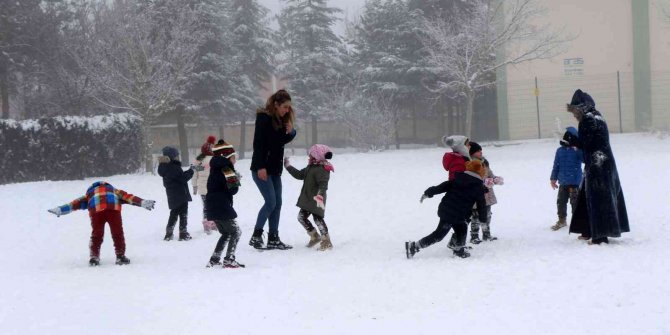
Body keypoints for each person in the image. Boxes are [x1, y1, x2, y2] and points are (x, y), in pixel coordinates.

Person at [566, 89, 629, 244]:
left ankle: (599, 236)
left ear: (581, 107)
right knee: (588, 196)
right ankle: (587, 229)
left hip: (597, 165)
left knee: (598, 198)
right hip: (604, 163)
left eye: (574, 110)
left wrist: (572, 140)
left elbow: (585, 143)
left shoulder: (587, 119)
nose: (574, 114)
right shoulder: (598, 116)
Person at [47, 181, 155, 266]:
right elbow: (128, 198)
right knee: (117, 233)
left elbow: (74, 204)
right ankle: (120, 256)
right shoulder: (113, 190)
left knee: (97, 235)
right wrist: (142, 202)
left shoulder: (89, 194)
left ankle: (94, 257)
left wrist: (60, 210)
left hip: (96, 211)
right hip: (113, 210)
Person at [405, 160, 488, 259]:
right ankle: (414, 246)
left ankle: (459, 250)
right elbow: (481, 206)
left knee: (462, 228)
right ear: (481, 172)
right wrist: (483, 220)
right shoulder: (478, 187)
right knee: (439, 234)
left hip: (447, 210)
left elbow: (442, 187)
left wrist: (428, 193)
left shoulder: (458, 178)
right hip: (455, 214)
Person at [249, 89, 297, 250]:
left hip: (275, 169)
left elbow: (279, 142)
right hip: (261, 168)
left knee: (278, 203)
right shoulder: (264, 119)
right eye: (284, 106)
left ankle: (273, 238)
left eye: (289, 107)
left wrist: (291, 132)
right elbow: (259, 144)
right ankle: (256, 236)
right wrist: (261, 166)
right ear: (276, 105)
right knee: (270, 202)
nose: (287, 110)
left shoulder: (281, 121)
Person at [284, 144, 334, 251]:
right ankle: (315, 236)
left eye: (311, 155)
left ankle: (326, 241)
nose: (309, 157)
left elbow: (323, 184)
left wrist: (320, 195)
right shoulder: (311, 167)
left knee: (318, 219)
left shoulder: (323, 168)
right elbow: (299, 175)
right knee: (301, 217)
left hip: (317, 199)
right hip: (308, 199)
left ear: (317, 155)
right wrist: (288, 166)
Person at [206, 141, 244, 268]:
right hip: (222, 205)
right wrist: (236, 179)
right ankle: (229, 259)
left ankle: (215, 259)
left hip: (212, 205)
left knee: (226, 233)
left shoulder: (214, 168)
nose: (235, 161)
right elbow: (233, 190)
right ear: (226, 157)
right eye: (234, 157)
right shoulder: (227, 169)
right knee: (236, 232)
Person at [468, 142, 504, 244]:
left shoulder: (484, 162)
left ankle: (486, 234)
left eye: (481, 150)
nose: (480, 152)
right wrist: (483, 182)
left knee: (487, 214)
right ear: (472, 153)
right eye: (478, 151)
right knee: (475, 215)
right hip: (476, 194)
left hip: (487, 193)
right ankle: (474, 236)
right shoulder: (469, 163)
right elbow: (470, 178)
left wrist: (495, 179)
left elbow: (489, 173)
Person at [158, 146, 195, 241]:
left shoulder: (164, 167)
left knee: (174, 213)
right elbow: (183, 178)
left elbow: (179, 177)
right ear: (171, 157)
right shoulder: (173, 167)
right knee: (183, 214)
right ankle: (183, 233)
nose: (177, 158)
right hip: (180, 194)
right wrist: (191, 171)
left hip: (172, 195)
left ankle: (169, 233)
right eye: (176, 156)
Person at [549, 127, 583, 231]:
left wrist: (579, 149)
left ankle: (577, 222)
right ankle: (562, 220)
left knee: (575, 203)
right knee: (561, 202)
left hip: (574, 183)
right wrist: (553, 179)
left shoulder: (577, 151)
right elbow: (556, 165)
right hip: (563, 182)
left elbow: (585, 159)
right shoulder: (559, 151)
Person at [193, 137, 218, 235]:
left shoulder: (198, 160)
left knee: (206, 206)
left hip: (202, 188)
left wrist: (194, 186)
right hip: (213, 187)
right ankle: (214, 223)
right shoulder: (214, 159)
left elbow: (194, 174)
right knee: (214, 206)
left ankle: (206, 223)